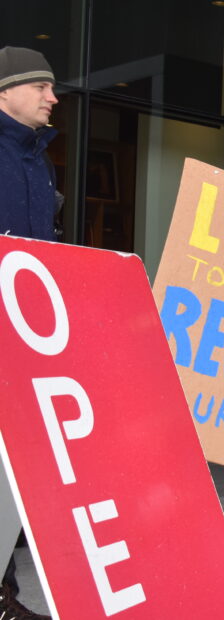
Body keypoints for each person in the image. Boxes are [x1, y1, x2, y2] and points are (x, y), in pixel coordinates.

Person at [0, 45, 59, 620]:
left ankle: (4, 594)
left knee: (8, 474)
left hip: (24, 340)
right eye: (40, 86)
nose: (51, 97)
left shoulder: (38, 160)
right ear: (5, 92)